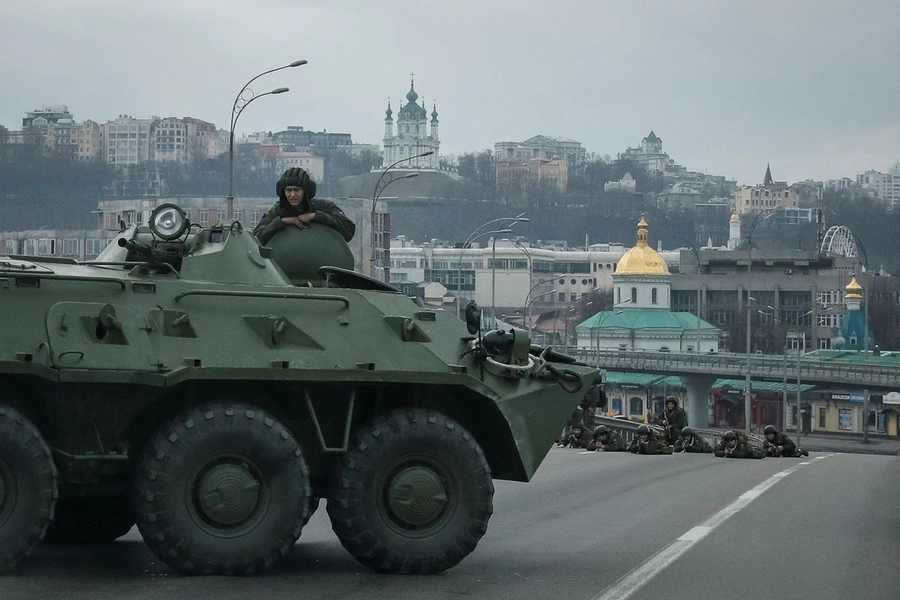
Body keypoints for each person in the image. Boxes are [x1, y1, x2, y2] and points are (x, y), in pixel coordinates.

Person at [253, 167, 356, 246]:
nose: (292, 195)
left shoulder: (323, 206)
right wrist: (282, 221)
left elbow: (348, 229)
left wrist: (317, 217)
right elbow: (256, 237)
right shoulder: (278, 210)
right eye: (288, 190)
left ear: (305, 191)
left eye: (297, 190)